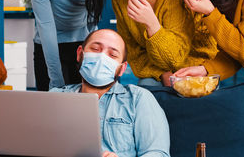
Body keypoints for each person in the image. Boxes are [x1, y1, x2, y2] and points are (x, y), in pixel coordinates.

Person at [51, 29, 170, 157]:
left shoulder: (138, 99)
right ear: (80, 53)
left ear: (122, 68)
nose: (102, 57)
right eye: (95, 49)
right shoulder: (54, 98)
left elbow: (157, 153)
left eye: (112, 55)